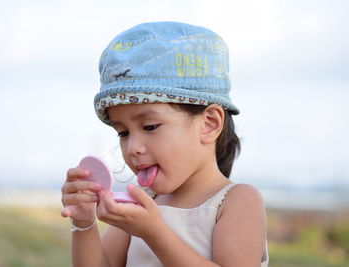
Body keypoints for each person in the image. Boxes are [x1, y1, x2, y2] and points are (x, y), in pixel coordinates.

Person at [61, 21, 268, 267]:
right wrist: (83, 223)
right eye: (123, 132)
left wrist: (154, 232)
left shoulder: (237, 201)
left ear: (209, 124)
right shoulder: (142, 202)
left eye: (150, 127)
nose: (132, 147)